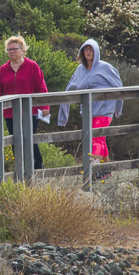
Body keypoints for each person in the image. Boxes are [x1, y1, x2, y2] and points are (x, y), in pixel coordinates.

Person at [58, 39, 123, 179]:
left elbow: (119, 87)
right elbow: (69, 90)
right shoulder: (79, 70)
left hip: (105, 109)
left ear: (96, 51)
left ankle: (93, 168)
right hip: (88, 111)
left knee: (96, 137)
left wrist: (118, 108)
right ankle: (106, 169)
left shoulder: (105, 68)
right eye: (85, 49)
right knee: (99, 138)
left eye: (91, 49)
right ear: (82, 52)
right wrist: (63, 116)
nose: (88, 51)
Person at [0, 35, 48, 170]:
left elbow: (41, 88)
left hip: (30, 111)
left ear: (22, 50)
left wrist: (45, 106)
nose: (12, 52)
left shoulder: (32, 66)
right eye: (9, 49)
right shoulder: (4, 69)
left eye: (15, 49)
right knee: (15, 141)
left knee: (29, 139)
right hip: (10, 113)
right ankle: (21, 168)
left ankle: (37, 168)